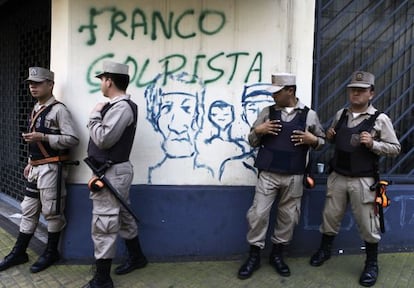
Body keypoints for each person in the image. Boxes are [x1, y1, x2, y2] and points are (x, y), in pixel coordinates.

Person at [309, 71, 401, 287]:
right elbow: (335, 141)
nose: (356, 93)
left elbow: (395, 148)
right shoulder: (341, 114)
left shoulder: (380, 119)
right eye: (353, 89)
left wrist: (373, 144)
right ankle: (325, 250)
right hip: (338, 176)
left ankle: (371, 263)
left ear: (371, 93)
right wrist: (330, 137)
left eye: (361, 90)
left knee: (369, 224)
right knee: (329, 217)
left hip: (364, 181)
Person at [237, 73, 325, 279]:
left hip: (294, 175)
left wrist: (312, 140)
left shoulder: (309, 115)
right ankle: (254, 255)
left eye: (277, 92)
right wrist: (259, 130)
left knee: (288, 217)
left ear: (290, 91)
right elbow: (252, 140)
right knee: (258, 214)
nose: (273, 96)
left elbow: (321, 142)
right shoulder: (267, 112)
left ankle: (277, 255)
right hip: (268, 174)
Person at [0, 67, 79, 273]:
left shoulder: (59, 110)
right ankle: (20, 252)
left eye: (37, 83)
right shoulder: (36, 108)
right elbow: (34, 142)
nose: (32, 86)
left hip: (52, 169)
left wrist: (43, 137)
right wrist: (29, 161)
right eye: (30, 83)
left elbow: (72, 139)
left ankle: (51, 251)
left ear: (50, 84)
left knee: (52, 212)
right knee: (28, 210)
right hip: (36, 168)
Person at [84, 61, 147, 288]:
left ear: (109, 80)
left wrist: (93, 116)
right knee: (122, 216)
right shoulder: (117, 106)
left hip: (111, 173)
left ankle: (102, 279)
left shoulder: (121, 108)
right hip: (111, 172)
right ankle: (137, 257)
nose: (101, 83)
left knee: (105, 222)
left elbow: (103, 139)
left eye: (102, 79)